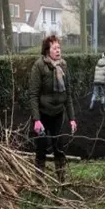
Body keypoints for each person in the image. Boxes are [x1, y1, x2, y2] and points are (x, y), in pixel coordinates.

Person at [27, 35, 76, 183]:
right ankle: (39, 181)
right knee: (41, 148)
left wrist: (72, 118)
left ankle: (62, 179)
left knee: (58, 147)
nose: (58, 50)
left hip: (58, 113)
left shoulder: (63, 65)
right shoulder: (39, 66)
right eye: (54, 48)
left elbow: (67, 93)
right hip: (42, 115)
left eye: (59, 47)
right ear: (47, 50)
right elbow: (33, 94)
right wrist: (36, 120)